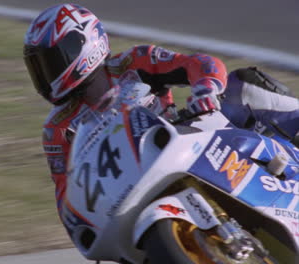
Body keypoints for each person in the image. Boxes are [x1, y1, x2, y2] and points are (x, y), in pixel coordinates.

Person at [23, 3, 299, 226]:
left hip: (190, 141)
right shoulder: (57, 129)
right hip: (133, 192)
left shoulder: (132, 62)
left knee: (242, 85)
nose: (44, 75)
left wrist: (206, 91)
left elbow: (201, 63)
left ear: (84, 45)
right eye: (38, 67)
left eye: (50, 60)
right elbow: (66, 198)